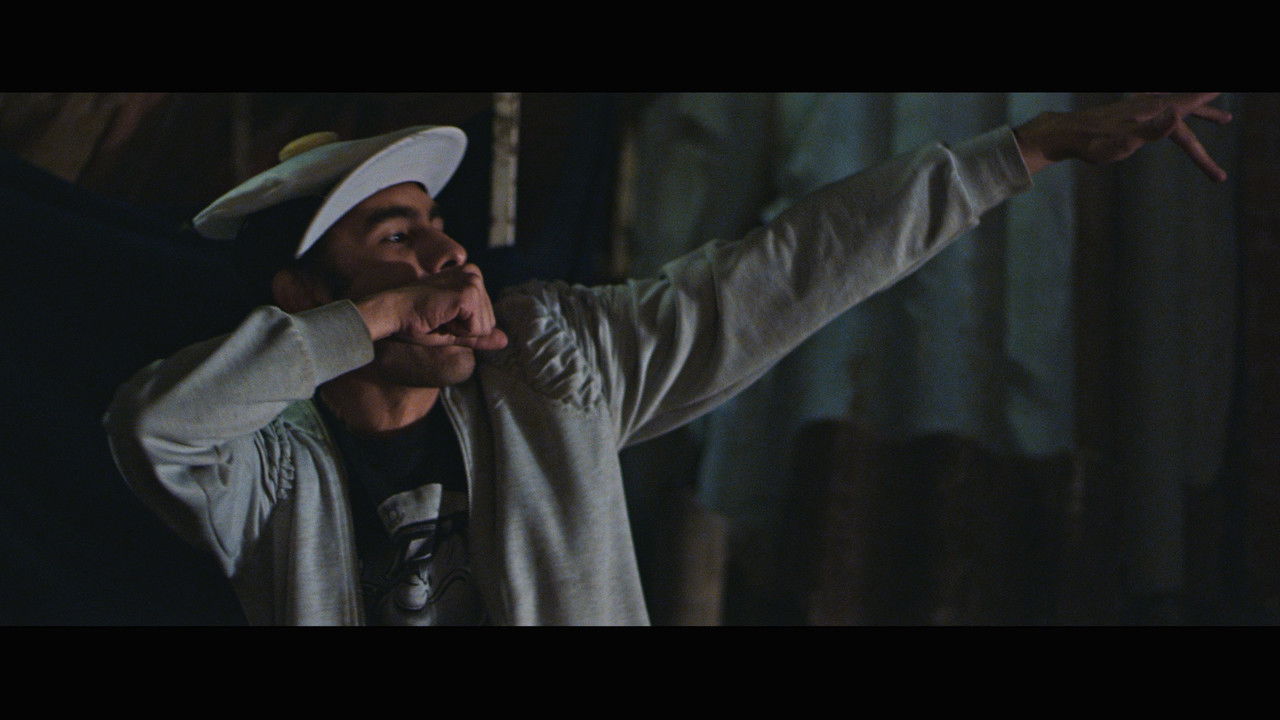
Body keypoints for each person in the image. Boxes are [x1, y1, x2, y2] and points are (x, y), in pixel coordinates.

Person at [103, 93, 1232, 625]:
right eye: (396, 239)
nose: (447, 255)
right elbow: (153, 426)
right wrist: (377, 321)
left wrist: (1022, 150)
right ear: (304, 297)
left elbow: (783, 271)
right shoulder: (264, 465)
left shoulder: (549, 369)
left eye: (438, 226)